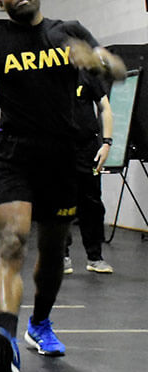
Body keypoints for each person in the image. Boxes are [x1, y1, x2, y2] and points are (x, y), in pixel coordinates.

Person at [0, 0, 126, 372]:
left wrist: (97, 60)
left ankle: (39, 324)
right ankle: (5, 340)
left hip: (62, 156)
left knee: (51, 251)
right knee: (12, 242)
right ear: (1, 3)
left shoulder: (69, 31)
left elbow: (114, 73)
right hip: (13, 153)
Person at [64, 70, 114, 274]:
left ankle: (95, 257)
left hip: (87, 148)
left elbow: (105, 108)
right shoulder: (49, 74)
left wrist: (107, 143)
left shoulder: (88, 75)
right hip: (59, 147)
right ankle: (61, 255)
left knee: (92, 202)